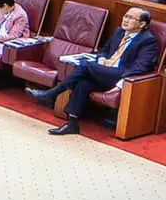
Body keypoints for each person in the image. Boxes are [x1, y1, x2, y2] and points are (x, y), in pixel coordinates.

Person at [26, 8, 158, 135]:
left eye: (131, 18)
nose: (126, 20)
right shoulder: (119, 32)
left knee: (85, 66)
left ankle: (53, 93)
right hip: (105, 71)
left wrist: (120, 83)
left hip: (121, 75)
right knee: (83, 83)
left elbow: (142, 66)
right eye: (125, 16)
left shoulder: (148, 41)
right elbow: (105, 50)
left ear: (142, 24)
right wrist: (101, 59)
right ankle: (72, 124)